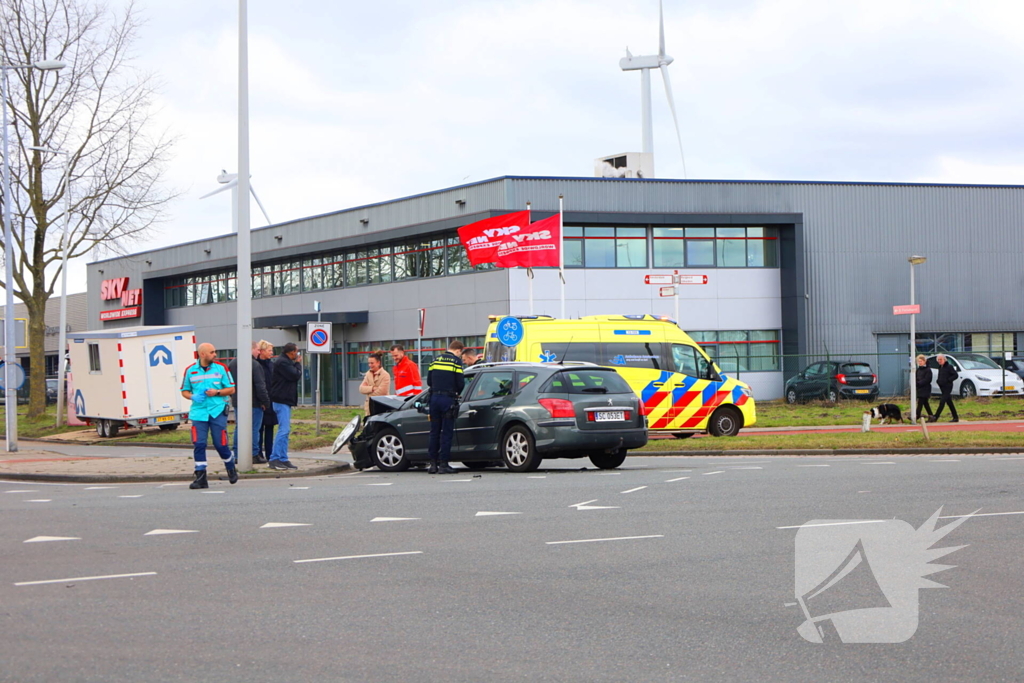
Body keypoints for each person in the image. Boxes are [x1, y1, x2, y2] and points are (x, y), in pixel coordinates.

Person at [180, 342, 237, 489]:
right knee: (199, 443)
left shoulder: (221, 368)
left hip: (217, 410)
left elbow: (231, 389)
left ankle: (230, 467)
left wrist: (216, 392)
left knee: (220, 443)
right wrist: (192, 396)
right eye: (212, 352)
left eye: (215, 351)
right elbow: (184, 390)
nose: (215, 354)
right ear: (203, 354)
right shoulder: (190, 370)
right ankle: (201, 477)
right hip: (199, 412)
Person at [229, 341, 272, 465]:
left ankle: (237, 454)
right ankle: (254, 454)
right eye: (257, 349)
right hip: (254, 402)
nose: (259, 352)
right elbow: (260, 385)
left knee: (239, 428)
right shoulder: (254, 365)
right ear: (251, 349)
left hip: (237, 401)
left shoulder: (232, 363)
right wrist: (265, 401)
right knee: (254, 428)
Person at [427, 340, 465, 474]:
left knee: (434, 432)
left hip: (434, 399)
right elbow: (460, 383)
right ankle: (443, 464)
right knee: (446, 433)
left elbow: (429, 381)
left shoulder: (435, 360)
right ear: (459, 350)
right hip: (447, 400)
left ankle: (432, 465)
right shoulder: (456, 362)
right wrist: (456, 394)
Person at [269, 342, 302, 470]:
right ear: (292, 352)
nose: (297, 354)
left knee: (286, 430)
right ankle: (275, 458)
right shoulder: (282, 362)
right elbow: (295, 375)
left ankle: (283, 458)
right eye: (297, 352)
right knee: (283, 430)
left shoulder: (285, 362)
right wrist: (298, 364)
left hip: (285, 400)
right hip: (281, 399)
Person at [255, 341, 276, 462]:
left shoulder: (271, 365)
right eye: (269, 350)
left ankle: (270, 454)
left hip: (271, 400)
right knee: (259, 428)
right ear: (261, 351)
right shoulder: (257, 365)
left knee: (270, 427)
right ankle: (258, 453)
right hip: (261, 401)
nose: (271, 353)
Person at [929, 353, 959, 423]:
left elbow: (955, 375)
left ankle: (936, 416)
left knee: (942, 401)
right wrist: (938, 381)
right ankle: (955, 417)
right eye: (938, 360)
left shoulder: (949, 367)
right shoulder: (940, 367)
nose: (939, 361)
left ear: (944, 359)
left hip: (948, 387)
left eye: (941, 359)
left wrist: (948, 380)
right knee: (949, 402)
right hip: (942, 387)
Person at [914, 354, 933, 422]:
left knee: (920, 402)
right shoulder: (918, 370)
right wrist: (915, 383)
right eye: (919, 361)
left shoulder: (928, 370)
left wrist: (919, 383)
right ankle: (931, 416)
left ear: (924, 361)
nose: (920, 362)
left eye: (921, 361)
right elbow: (915, 377)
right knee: (925, 403)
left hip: (925, 388)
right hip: (919, 388)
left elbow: (927, 379)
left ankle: (916, 415)